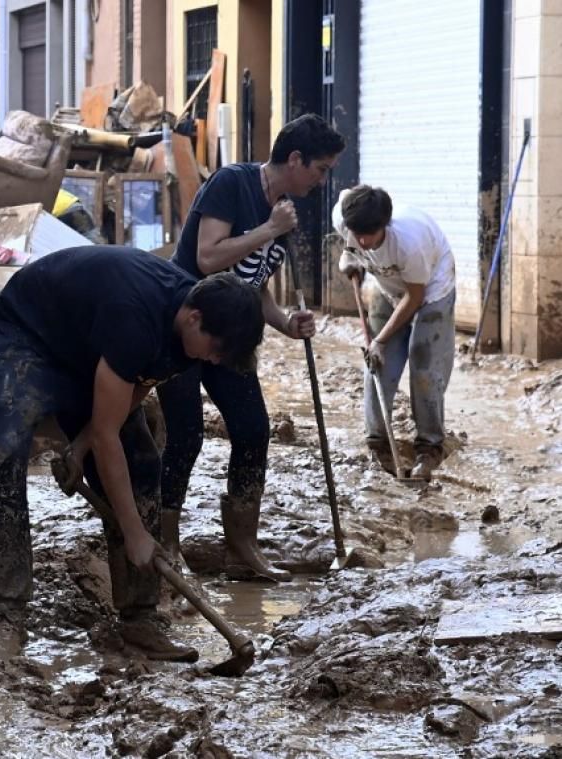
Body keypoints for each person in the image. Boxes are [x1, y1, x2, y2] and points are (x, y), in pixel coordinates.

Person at [0, 245, 264, 660]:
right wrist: (134, 533)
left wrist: (81, 445)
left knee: (143, 463)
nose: (216, 359)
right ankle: (7, 612)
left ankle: (140, 618)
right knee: (7, 447)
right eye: (216, 349)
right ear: (194, 317)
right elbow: (108, 432)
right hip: (24, 333)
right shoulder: (138, 317)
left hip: (92, 351)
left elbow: (141, 383)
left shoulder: (190, 332)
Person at [156, 113, 346, 582]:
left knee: (253, 428)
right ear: (295, 159)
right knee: (186, 434)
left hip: (235, 334)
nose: (323, 181)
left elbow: (253, 280)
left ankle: (243, 545)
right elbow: (208, 256)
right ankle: (166, 543)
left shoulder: (286, 209)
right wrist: (269, 229)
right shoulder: (232, 183)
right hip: (189, 325)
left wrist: (284, 321)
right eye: (320, 169)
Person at [334, 186, 456, 480]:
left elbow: (414, 298)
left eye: (369, 235)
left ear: (385, 225)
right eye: (356, 234)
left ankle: (429, 447)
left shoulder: (409, 242)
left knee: (424, 366)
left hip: (430, 291)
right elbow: (345, 197)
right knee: (377, 365)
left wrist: (379, 339)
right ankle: (377, 443)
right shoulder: (346, 218)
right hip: (388, 287)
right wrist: (349, 256)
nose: (362, 241)